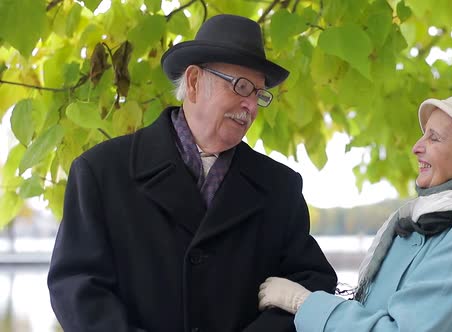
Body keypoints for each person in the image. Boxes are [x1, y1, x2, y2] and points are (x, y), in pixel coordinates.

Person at [48, 14, 337, 332]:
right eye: (241, 87)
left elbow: (312, 281)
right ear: (194, 82)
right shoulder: (101, 172)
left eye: (258, 93)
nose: (251, 106)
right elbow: (77, 289)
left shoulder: (280, 187)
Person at [258, 92, 452, 331]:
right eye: (423, 134)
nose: (417, 146)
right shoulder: (413, 221)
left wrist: (303, 303)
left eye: (434, 138)